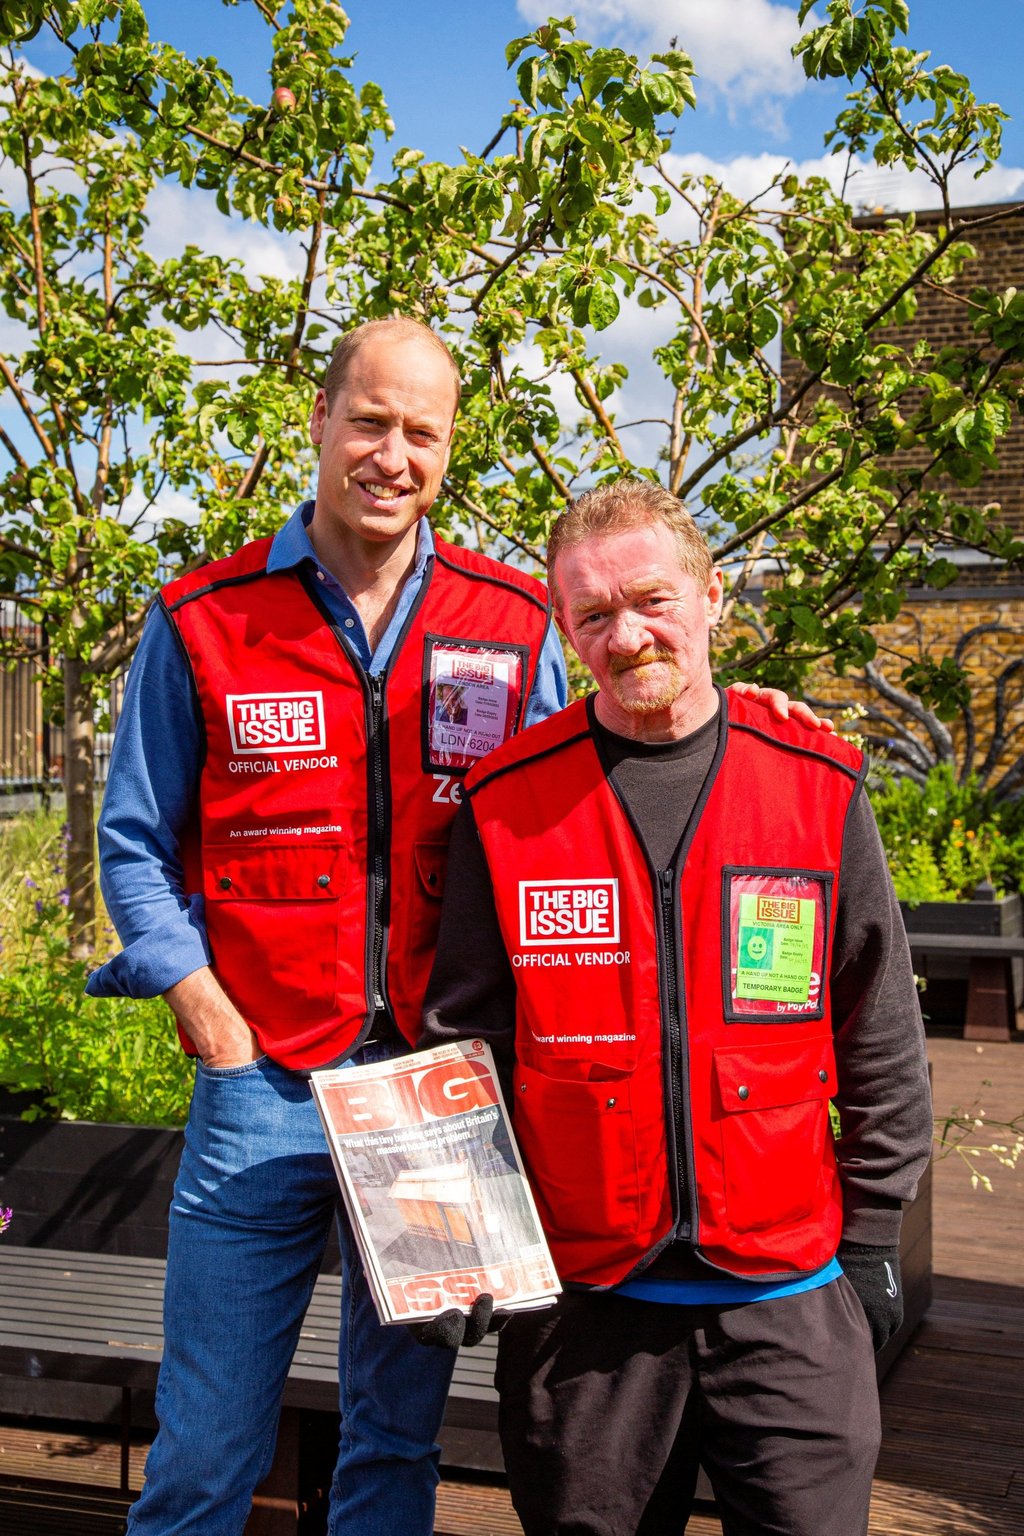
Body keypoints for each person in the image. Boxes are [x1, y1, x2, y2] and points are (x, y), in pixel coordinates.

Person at [90, 318, 820, 1536]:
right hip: (261, 1085)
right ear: (319, 420)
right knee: (207, 1448)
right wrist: (208, 1015)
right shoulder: (205, 618)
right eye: (369, 421)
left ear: (447, 449)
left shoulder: (512, 619)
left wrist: (731, 704)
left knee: (395, 1438)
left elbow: (605, 760)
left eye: (420, 433)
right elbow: (133, 843)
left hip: (436, 1094)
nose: (392, 455)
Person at [421, 479, 933, 1536]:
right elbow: (462, 1047)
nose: (626, 636)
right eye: (592, 614)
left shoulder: (815, 787)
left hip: (787, 1301)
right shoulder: (509, 807)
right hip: (587, 1319)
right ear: (564, 627)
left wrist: (877, 1236)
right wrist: (461, 1238)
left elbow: (880, 1030)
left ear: (711, 597)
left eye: (651, 599)